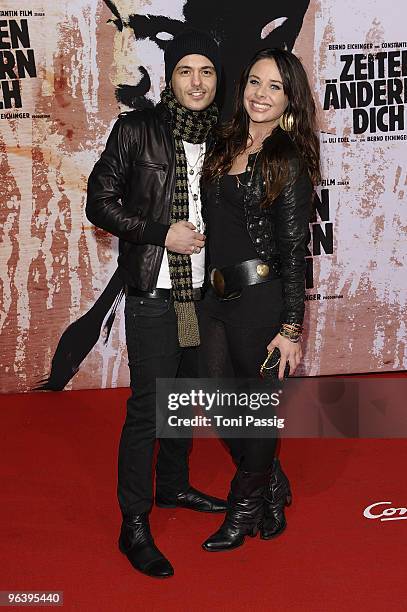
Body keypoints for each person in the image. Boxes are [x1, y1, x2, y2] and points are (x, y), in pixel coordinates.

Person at [85, 30, 228, 578]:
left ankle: (172, 487)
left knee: (186, 397)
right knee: (149, 407)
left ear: (218, 82)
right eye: (187, 70)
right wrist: (158, 232)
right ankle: (134, 521)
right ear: (170, 77)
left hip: (207, 293)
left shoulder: (224, 137)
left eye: (207, 72)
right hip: (155, 292)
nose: (197, 81)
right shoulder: (136, 129)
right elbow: (100, 202)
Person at [199, 47, 321, 551]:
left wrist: (291, 328)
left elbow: (295, 251)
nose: (260, 94)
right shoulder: (224, 142)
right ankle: (269, 479)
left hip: (262, 300)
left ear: (290, 97)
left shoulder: (286, 158)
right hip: (215, 297)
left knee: (256, 408)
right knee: (215, 400)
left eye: (274, 86)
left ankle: (245, 505)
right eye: (254, 82)